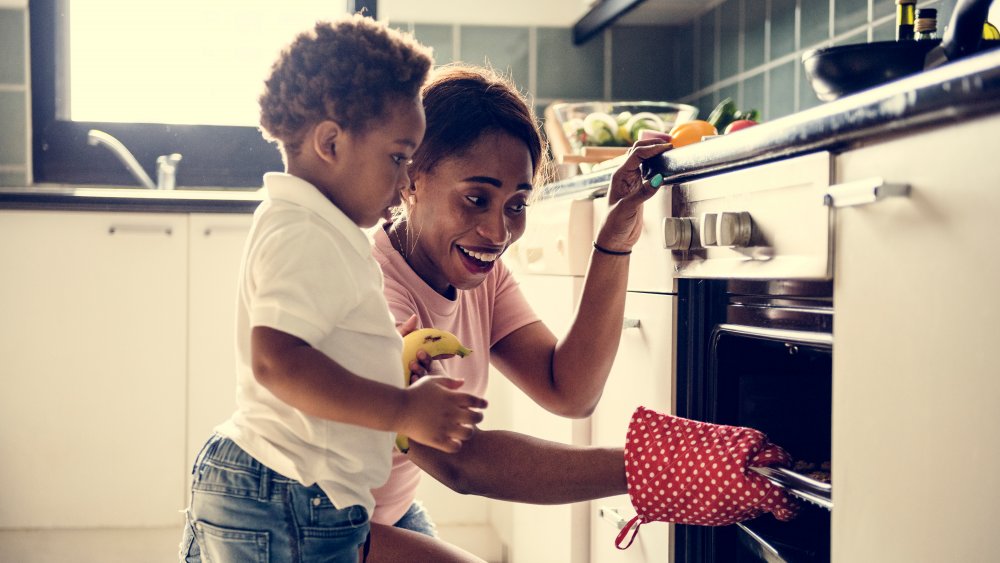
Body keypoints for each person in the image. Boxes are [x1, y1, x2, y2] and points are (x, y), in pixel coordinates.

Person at [365, 64, 796, 562]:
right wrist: (662, 467)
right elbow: (464, 463)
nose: (498, 232)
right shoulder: (374, 296)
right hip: (296, 517)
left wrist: (613, 240)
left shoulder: (478, 277)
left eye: (516, 205)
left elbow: (569, 389)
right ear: (409, 181)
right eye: (476, 198)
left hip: (383, 512)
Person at [178, 18, 488, 563]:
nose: (405, 177)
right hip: (288, 490)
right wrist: (402, 408)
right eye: (398, 156)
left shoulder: (318, 228)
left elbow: (314, 344)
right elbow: (277, 360)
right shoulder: (305, 232)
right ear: (330, 142)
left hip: (289, 488)